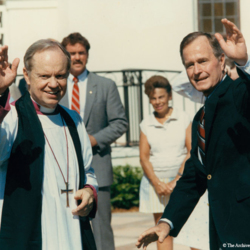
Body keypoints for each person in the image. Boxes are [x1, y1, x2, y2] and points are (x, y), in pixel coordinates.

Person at [136, 19, 250, 249]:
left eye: (202, 61)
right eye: (190, 64)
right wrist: (166, 223)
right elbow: (195, 175)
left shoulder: (239, 93)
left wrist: (244, 63)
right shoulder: (201, 116)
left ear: (220, 60)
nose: (196, 71)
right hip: (222, 230)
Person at [0, 40, 98, 250]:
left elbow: (88, 170)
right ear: (26, 75)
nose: (53, 84)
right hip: (32, 233)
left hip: (72, 231)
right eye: (44, 76)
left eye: (60, 76)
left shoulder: (74, 120)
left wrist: (89, 191)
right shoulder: (12, 116)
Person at [60, 32, 128, 250]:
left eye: (81, 53)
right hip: (62, 169)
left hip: (97, 167)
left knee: (100, 231)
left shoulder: (105, 85)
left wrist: (92, 140)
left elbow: (120, 122)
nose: (77, 57)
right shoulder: (55, 86)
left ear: (87, 55)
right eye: (72, 54)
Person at [139, 75, 208, 250]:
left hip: (183, 180)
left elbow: (190, 151)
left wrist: (177, 179)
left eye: (161, 97)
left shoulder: (184, 118)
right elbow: (144, 157)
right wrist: (157, 183)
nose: (157, 101)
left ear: (169, 96)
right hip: (157, 185)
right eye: (153, 98)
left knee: (194, 231)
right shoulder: (146, 124)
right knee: (162, 233)